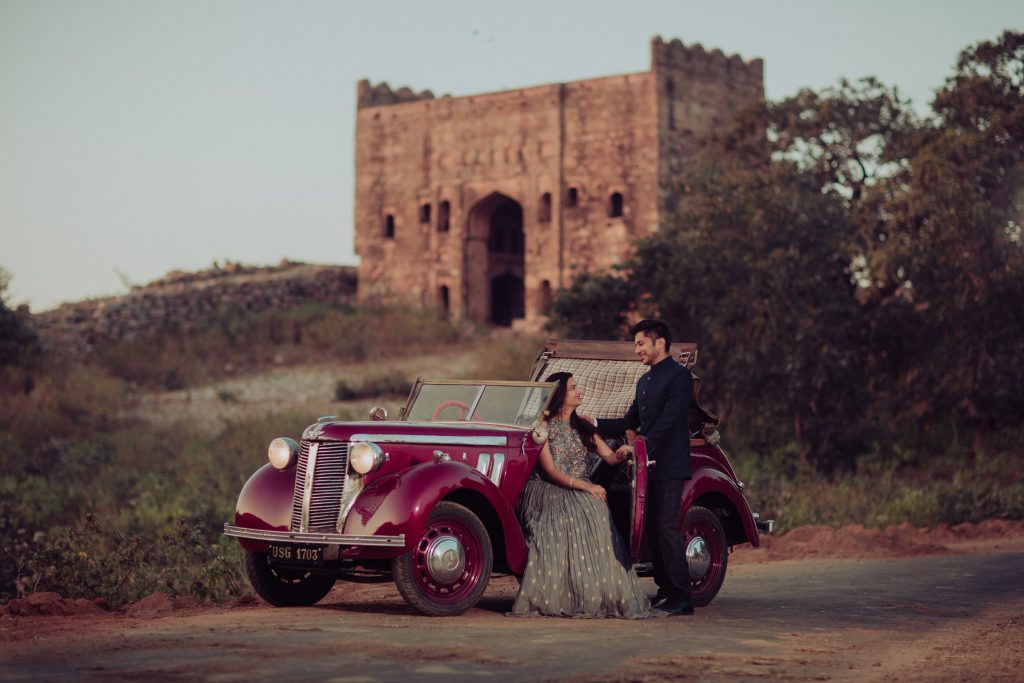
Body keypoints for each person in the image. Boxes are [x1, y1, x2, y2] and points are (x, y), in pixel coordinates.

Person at [509, 372, 658, 619]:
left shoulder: (584, 427)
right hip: (548, 489)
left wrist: (623, 452)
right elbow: (551, 471)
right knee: (566, 518)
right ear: (559, 395)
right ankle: (561, 594)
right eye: (573, 388)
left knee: (597, 510)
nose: (579, 392)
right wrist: (586, 486)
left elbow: (609, 458)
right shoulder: (542, 428)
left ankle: (596, 593)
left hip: (580, 488)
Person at [597, 319, 695, 616]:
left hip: (670, 465)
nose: (636, 349)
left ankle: (683, 597)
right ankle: (666, 592)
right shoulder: (645, 381)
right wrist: (592, 424)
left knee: (666, 528)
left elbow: (669, 421)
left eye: (641, 343)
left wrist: (638, 445)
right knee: (652, 530)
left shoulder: (680, 377)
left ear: (660, 342)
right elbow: (628, 421)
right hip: (647, 467)